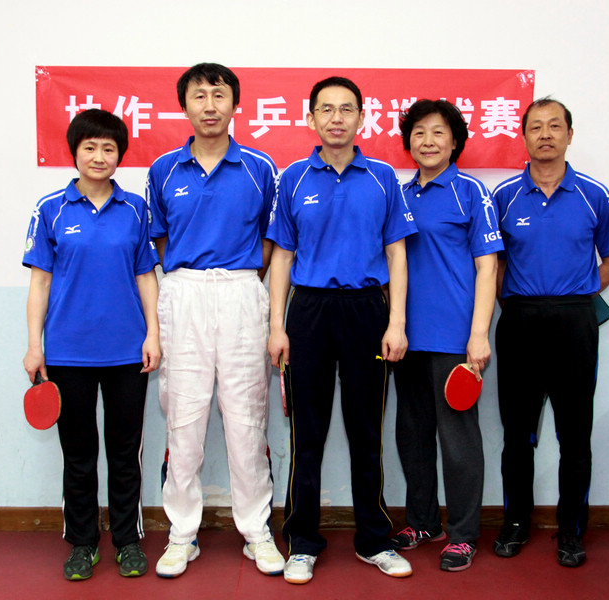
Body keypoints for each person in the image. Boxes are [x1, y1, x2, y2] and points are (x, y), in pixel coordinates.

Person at [267, 76, 418, 585]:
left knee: (366, 433)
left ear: (361, 118)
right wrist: (276, 327)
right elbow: (281, 257)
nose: (336, 118)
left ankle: (374, 539)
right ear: (310, 118)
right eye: (326, 109)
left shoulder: (382, 177)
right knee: (306, 435)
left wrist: (396, 322)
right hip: (308, 312)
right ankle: (302, 542)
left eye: (346, 109)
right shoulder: (292, 178)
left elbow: (397, 253)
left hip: (367, 312)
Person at [146, 62, 284, 579]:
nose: (210, 105)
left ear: (234, 104)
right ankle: (182, 534)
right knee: (183, 418)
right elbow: (161, 240)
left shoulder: (260, 167)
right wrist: (191, 277)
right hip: (183, 291)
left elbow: (272, 240)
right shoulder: (163, 169)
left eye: (219, 95)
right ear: (184, 105)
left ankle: (257, 531)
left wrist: (239, 277)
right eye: (199, 96)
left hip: (242, 291)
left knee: (247, 416)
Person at [491, 97, 609, 567]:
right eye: (536, 127)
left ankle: (571, 531)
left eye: (555, 126)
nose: (545, 134)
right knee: (518, 434)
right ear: (524, 137)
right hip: (520, 321)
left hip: (575, 322)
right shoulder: (504, 196)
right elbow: (494, 265)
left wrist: (578, 294)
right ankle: (516, 524)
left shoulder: (593, 194)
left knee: (574, 435)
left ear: (570, 135)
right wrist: (515, 304)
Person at [22, 108, 160, 581]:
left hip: (127, 353)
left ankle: (127, 541)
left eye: (109, 148)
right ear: (74, 152)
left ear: (120, 155)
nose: (99, 156)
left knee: (125, 454)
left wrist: (153, 334)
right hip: (68, 353)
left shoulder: (135, 209)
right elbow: (40, 282)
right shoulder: (50, 209)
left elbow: (146, 276)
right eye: (90, 147)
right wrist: (35, 346)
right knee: (78, 455)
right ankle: (82, 543)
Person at [390, 99, 502, 572]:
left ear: (455, 141)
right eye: (419, 133)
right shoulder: (398, 194)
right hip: (405, 339)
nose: (428, 141)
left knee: (458, 443)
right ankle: (422, 522)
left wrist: (479, 334)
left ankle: (462, 533)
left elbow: (488, 267)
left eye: (438, 132)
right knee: (412, 436)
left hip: (455, 339)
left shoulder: (471, 192)